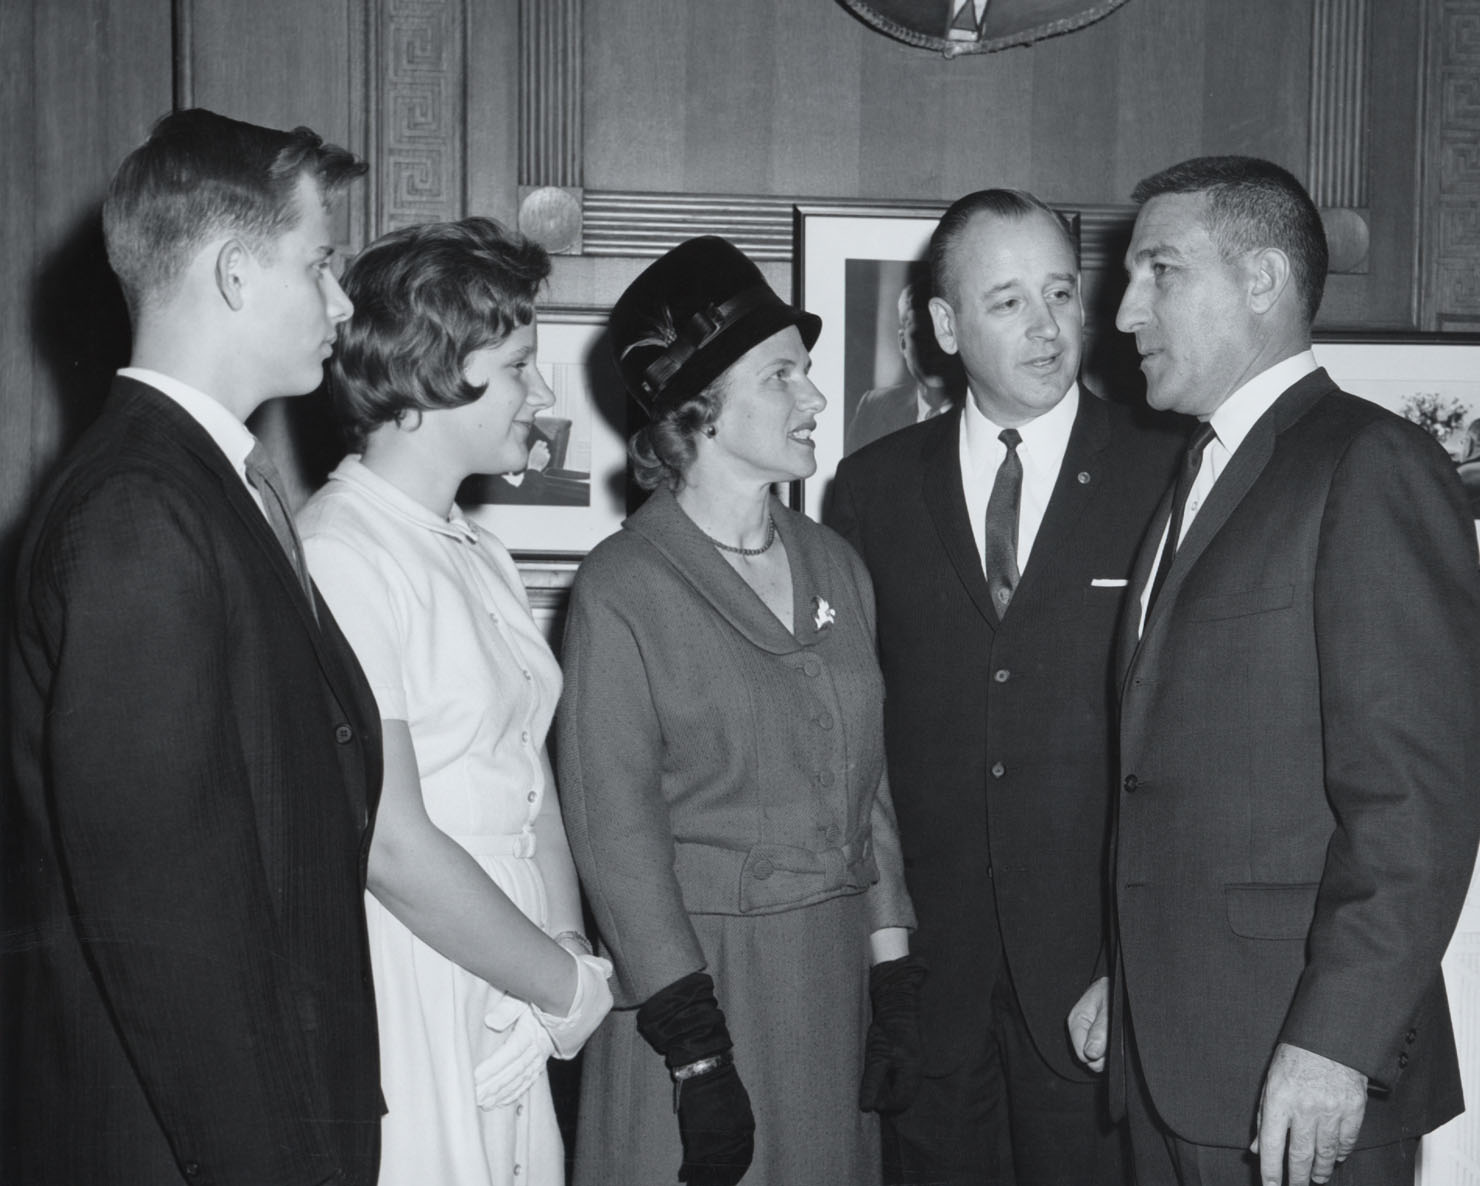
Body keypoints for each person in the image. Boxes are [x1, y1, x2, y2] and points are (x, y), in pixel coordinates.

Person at [1066, 155, 1480, 1186]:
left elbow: (1414, 802)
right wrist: (1133, 975)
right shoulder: (1196, 474)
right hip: (1175, 1060)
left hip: (1297, 1080)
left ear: (1260, 281)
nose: (1124, 313)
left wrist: (1338, 1040)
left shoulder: (1370, 465)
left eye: (1159, 271)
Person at [4, 108, 383, 1185]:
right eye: (321, 263)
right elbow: (169, 930)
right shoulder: (139, 509)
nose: (341, 300)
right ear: (231, 273)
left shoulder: (201, 488)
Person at [831, 189, 1182, 1186]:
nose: (1045, 326)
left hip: (1093, 986)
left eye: (1061, 292)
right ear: (945, 327)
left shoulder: (1166, 470)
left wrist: (1135, 957)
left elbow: (1184, 750)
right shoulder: (873, 488)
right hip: (933, 984)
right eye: (1006, 301)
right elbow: (859, 737)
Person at [557, 235, 920, 1186]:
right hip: (701, 992)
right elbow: (615, 836)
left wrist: (891, 970)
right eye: (783, 376)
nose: (815, 400)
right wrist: (695, 1051)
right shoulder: (623, 588)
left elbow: (867, 787)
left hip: (831, 984)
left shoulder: (833, 562)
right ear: (701, 410)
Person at [296, 216, 613, 1186]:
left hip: (515, 958)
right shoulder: (340, 550)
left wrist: (564, 952)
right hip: (416, 956)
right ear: (437, 369)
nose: (545, 391)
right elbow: (388, 838)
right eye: (521, 364)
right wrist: (557, 983)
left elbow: (530, 779)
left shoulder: (482, 550)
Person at [845, 280, 959, 454]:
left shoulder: (990, 412)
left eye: (941, 334)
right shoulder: (873, 407)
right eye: (921, 335)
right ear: (903, 343)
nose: (934, 348)